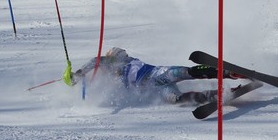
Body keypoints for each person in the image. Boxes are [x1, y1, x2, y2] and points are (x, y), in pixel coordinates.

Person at [67, 47, 230, 106]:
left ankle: (224, 72)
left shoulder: (124, 61)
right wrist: (79, 78)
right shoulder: (113, 75)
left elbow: (96, 60)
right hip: (157, 88)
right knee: (177, 99)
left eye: (114, 56)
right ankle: (215, 95)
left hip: (158, 73)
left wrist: (80, 73)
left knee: (186, 73)